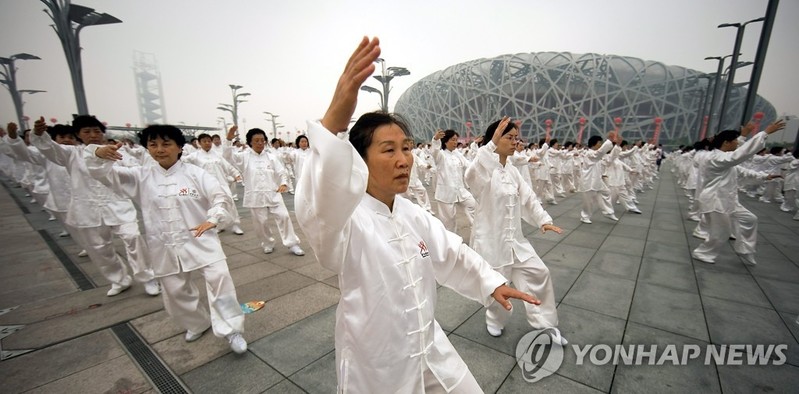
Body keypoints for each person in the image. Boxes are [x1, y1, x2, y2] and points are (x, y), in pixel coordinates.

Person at [295, 36, 539, 393]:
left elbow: (451, 253)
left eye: (406, 148)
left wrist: (491, 281)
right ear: (360, 160)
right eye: (388, 149)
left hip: (429, 346)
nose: (403, 159)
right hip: (378, 362)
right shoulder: (348, 221)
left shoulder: (411, 213)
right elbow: (317, 208)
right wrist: (332, 121)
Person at [87, 125, 248, 354]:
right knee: (176, 291)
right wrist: (96, 153)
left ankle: (232, 330)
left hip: (201, 240)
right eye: (153, 144)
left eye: (166, 144)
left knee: (220, 280)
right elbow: (103, 174)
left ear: (179, 147)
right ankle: (197, 323)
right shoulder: (140, 176)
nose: (159, 149)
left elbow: (220, 197)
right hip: (163, 245)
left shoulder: (196, 174)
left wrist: (214, 218)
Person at [465, 116, 568, 345]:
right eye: (509, 137)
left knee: (539, 274)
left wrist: (543, 220)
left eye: (516, 138)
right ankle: (495, 320)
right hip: (492, 243)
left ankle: (545, 325)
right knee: (497, 288)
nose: (515, 142)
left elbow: (528, 198)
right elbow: (471, 178)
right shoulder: (482, 168)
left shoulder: (512, 170)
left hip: (516, 243)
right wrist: (489, 146)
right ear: (495, 139)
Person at [31, 115, 160, 297]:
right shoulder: (71, 154)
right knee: (99, 248)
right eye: (87, 131)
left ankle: (148, 277)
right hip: (87, 208)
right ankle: (119, 279)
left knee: (133, 238)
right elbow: (49, 148)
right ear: (78, 135)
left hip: (118, 204)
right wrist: (39, 134)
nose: (93, 135)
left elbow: (137, 172)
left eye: (97, 131)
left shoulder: (117, 151)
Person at [691, 120, 785, 265]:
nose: (737, 143)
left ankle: (745, 249)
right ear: (726, 143)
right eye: (735, 140)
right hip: (716, 200)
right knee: (721, 232)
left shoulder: (725, 161)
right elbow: (739, 155)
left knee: (749, 219)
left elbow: (743, 170)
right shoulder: (715, 158)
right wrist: (764, 134)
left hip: (728, 200)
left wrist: (765, 176)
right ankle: (703, 253)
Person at [223, 126, 305, 256]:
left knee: (284, 217)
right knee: (261, 222)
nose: (260, 143)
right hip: (255, 195)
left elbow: (281, 171)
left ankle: (292, 243)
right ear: (250, 142)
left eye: (262, 140)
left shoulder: (271, 157)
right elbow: (227, 157)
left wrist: (283, 183)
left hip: (273, 193)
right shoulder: (244, 157)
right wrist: (228, 139)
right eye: (256, 141)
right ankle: (267, 243)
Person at [183, 133, 245, 235]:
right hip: (205, 187)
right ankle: (219, 225)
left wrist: (236, 174)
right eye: (204, 141)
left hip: (222, 184)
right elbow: (182, 163)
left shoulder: (217, 155)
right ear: (199, 143)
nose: (207, 143)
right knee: (211, 207)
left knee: (230, 204)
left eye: (209, 141)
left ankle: (236, 225)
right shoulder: (194, 157)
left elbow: (228, 166)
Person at [430, 128, 477, 232]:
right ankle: (450, 244)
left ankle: (477, 232)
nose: (455, 142)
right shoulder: (441, 155)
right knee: (448, 221)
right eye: (452, 140)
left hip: (460, 191)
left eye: (456, 140)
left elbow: (469, 165)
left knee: (473, 205)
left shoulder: (457, 154)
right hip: (445, 193)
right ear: (445, 141)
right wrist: (436, 139)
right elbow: (435, 151)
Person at [578, 135, 617, 224]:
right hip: (588, 182)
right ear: (594, 143)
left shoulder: (597, 155)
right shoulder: (589, 153)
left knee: (606, 192)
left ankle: (608, 212)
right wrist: (609, 142)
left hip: (597, 180)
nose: (600, 145)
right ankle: (584, 217)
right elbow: (598, 154)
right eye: (599, 143)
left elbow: (605, 161)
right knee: (588, 201)